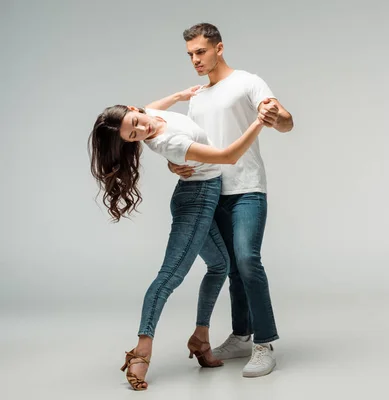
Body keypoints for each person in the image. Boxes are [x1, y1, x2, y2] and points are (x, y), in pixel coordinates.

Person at [88, 86, 266, 390]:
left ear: (134, 109)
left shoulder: (149, 114)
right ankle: (141, 351)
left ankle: (200, 338)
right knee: (169, 276)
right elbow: (227, 155)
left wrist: (178, 96)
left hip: (201, 196)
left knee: (220, 266)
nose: (142, 129)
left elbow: (152, 107)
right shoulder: (170, 142)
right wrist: (260, 121)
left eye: (135, 122)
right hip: (196, 202)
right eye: (134, 136)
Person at [166, 22, 294, 378]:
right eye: (190, 54)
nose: (195, 59)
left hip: (248, 188)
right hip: (210, 193)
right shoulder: (198, 97)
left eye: (201, 52)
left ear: (218, 48)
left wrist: (276, 116)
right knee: (233, 269)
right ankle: (241, 336)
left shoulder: (248, 82)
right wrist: (179, 163)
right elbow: (196, 144)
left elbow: (286, 121)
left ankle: (264, 342)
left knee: (247, 260)